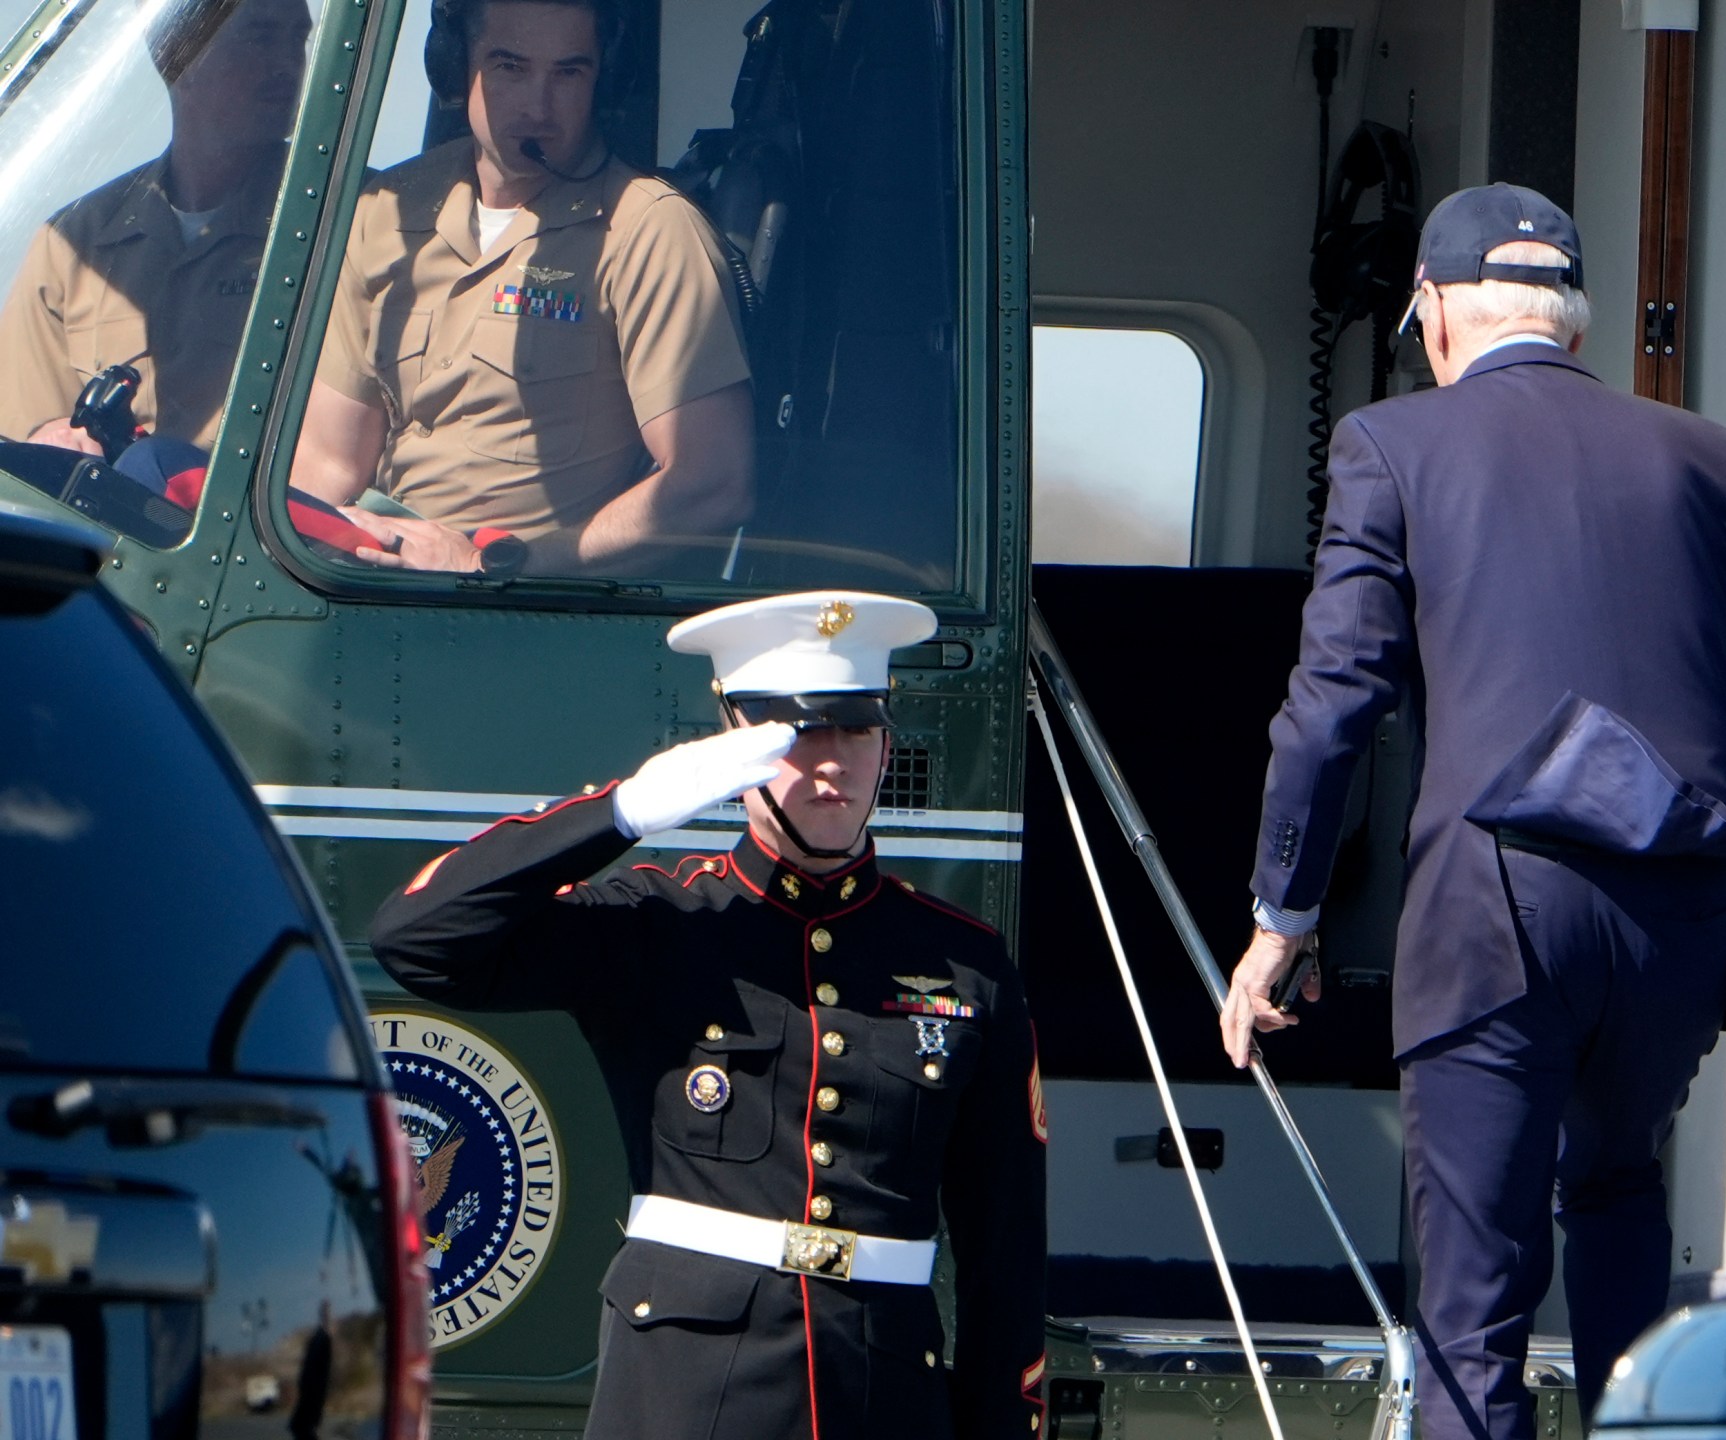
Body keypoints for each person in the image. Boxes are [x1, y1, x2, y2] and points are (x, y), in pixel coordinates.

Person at [1218, 184, 1726, 1439]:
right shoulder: (1703, 458)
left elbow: (1334, 705)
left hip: (1497, 915)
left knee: (1473, 1305)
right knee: (1616, 1199)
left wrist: (1283, 914)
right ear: (1576, 324)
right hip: (1675, 921)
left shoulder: (1392, 445)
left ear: (1433, 313)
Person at [370, 591, 1048, 1440]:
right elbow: (418, 938)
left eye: (857, 729)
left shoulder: (965, 963)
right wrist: (616, 814)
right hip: (686, 1390)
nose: (832, 763)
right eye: (799, 733)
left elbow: (1004, 1249)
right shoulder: (662, 922)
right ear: (738, 739)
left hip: (882, 1391)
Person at [293, 0, 753, 577]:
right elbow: (329, 461)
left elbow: (712, 482)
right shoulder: (387, 212)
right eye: (510, 67)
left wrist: (493, 565)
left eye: (568, 72)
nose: (540, 107)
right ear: (457, 68)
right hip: (368, 579)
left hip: (524, 606)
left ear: (602, 80)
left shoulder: (648, 231)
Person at [0, 0, 312, 455]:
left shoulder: (339, 224)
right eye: (260, 38)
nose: (287, 65)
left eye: (298, 41)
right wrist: (56, 439)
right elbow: (25, 450)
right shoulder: (73, 246)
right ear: (177, 53)